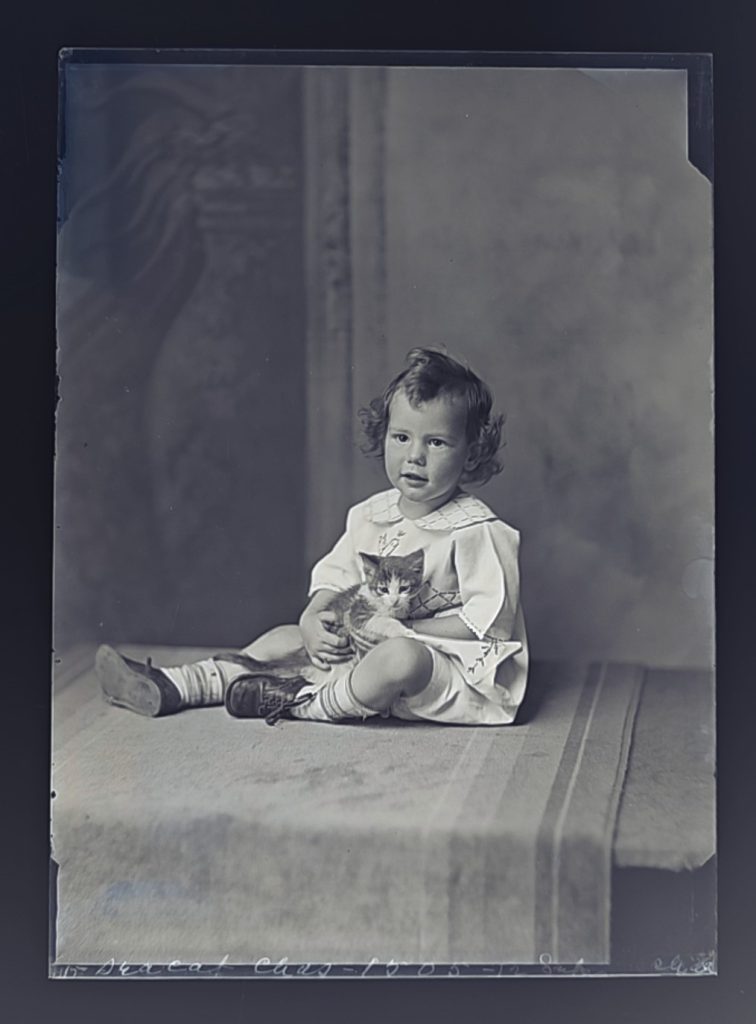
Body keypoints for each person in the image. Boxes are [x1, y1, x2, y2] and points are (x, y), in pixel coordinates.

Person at [96, 348, 529, 726]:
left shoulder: (476, 530)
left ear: (471, 452)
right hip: (364, 648)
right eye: (401, 437)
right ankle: (180, 686)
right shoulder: (369, 516)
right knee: (284, 638)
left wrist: (402, 629)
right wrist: (313, 619)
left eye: (436, 443)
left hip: (440, 673)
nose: (414, 456)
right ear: (384, 436)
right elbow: (334, 578)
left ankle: (307, 704)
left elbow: (487, 623)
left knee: (401, 658)